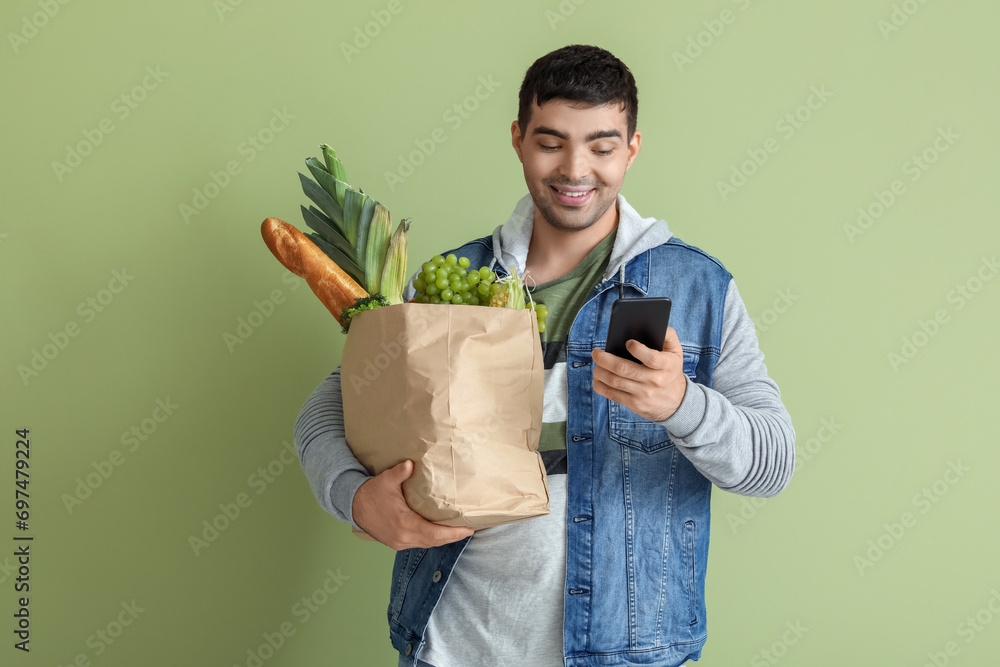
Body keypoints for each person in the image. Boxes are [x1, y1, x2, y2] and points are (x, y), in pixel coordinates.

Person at [294, 44, 795, 667]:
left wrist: (683, 404)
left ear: (632, 147)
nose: (575, 169)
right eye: (551, 142)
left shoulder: (696, 289)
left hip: (629, 653)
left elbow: (772, 461)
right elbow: (325, 411)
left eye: (602, 146)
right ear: (518, 139)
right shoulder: (457, 279)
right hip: (452, 647)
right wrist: (354, 497)